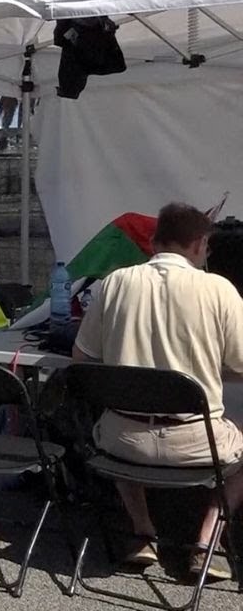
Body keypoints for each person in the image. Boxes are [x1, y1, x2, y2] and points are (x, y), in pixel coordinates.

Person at [73, 202, 243, 580]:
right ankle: (208, 538)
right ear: (201, 244)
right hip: (196, 443)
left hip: (123, 442)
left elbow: (81, 357)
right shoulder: (220, 289)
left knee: (114, 421)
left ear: (153, 241)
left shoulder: (114, 282)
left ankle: (142, 530)